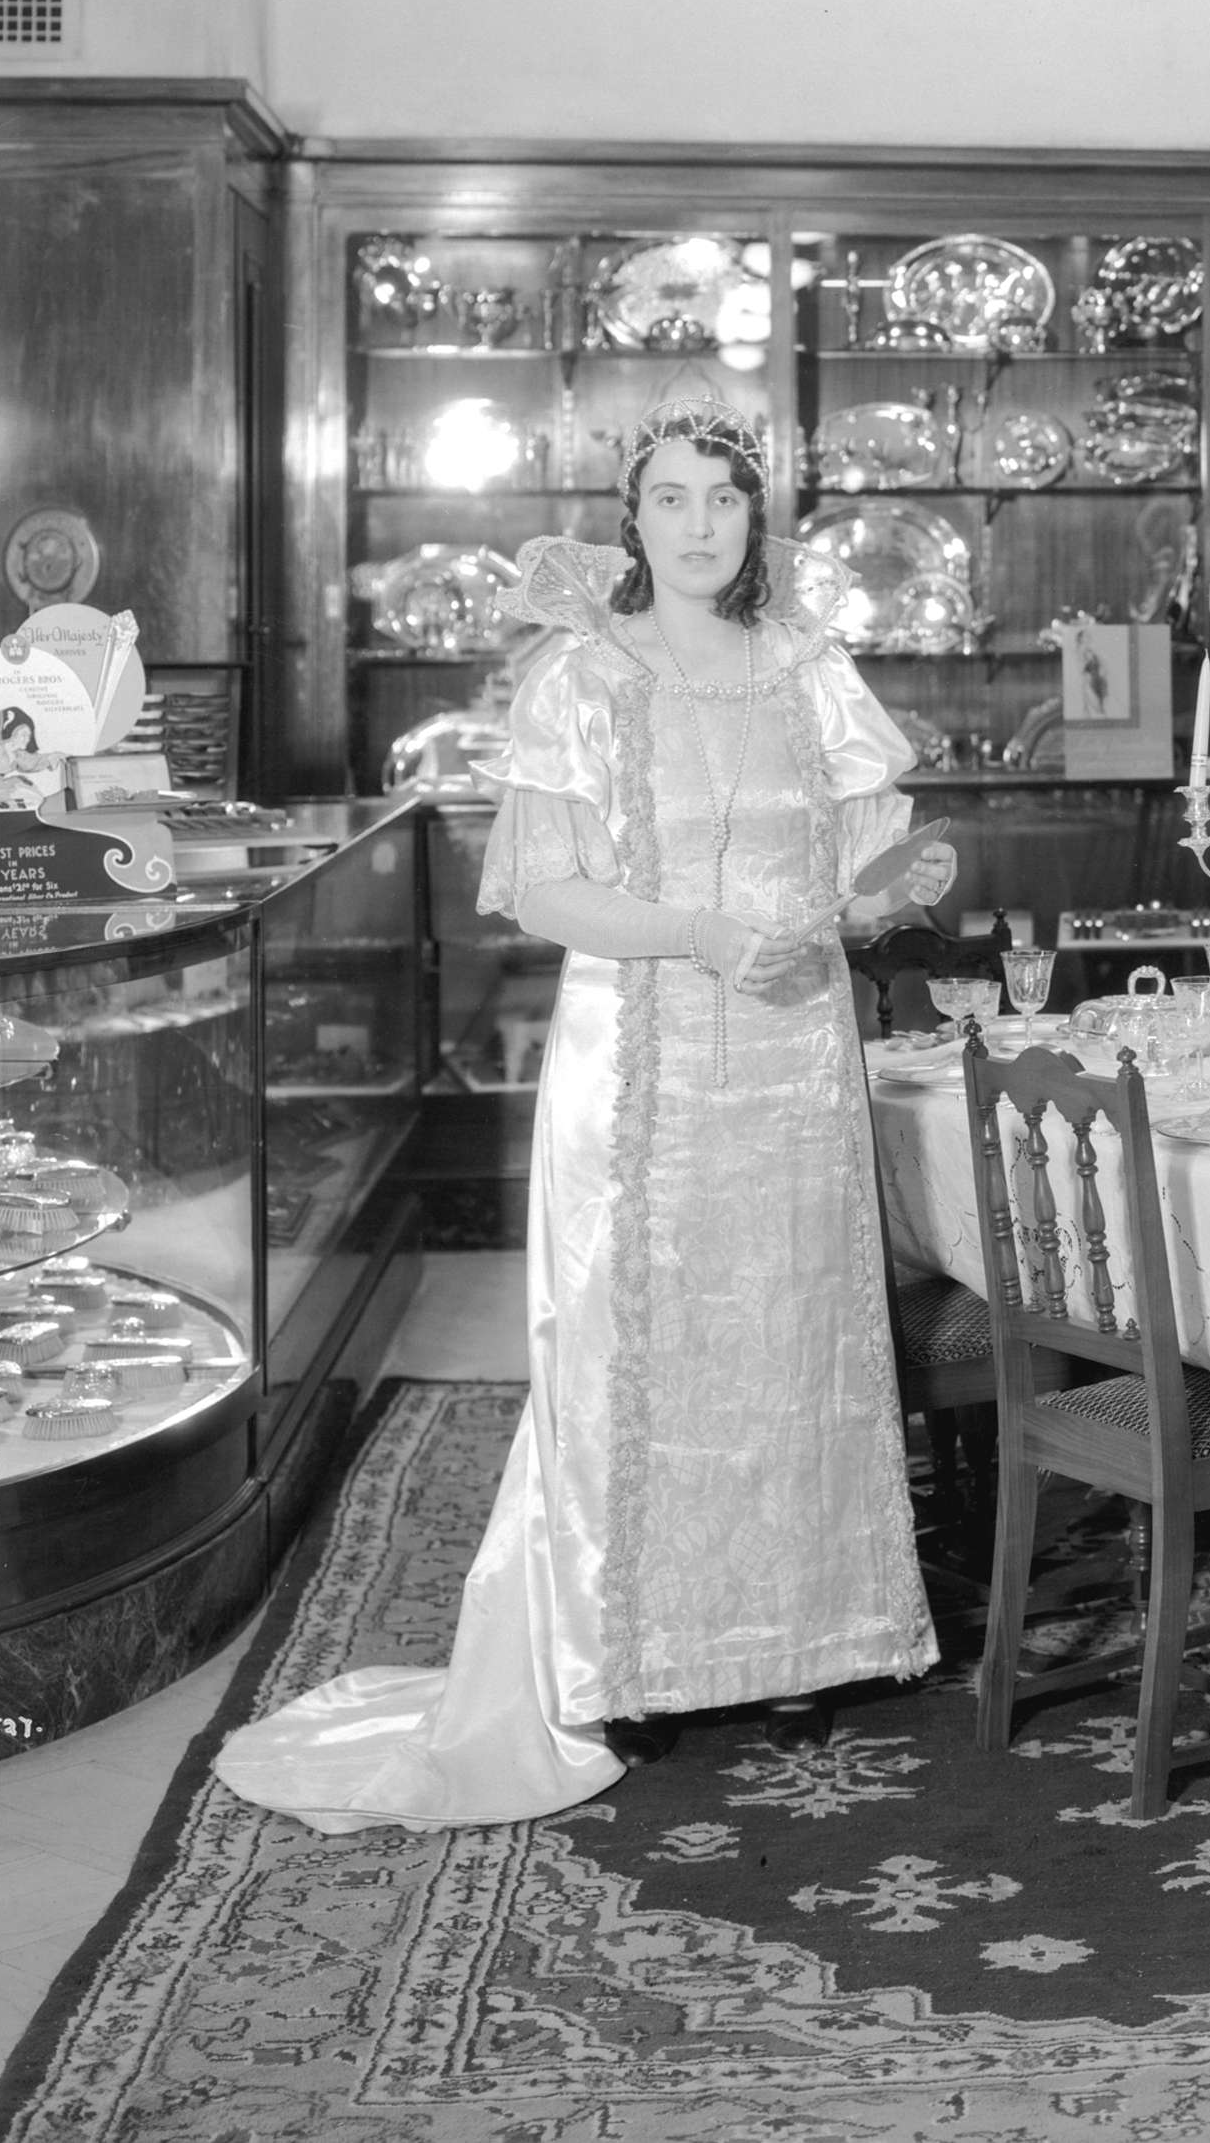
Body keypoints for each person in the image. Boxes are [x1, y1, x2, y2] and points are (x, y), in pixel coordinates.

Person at [216, 392, 955, 1830]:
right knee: (639, 1340)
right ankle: (627, 1651)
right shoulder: (583, 677)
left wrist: (894, 888)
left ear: (755, 521)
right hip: (644, 1052)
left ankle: (801, 1638)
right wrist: (698, 934)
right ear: (634, 519)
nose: (696, 524)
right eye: (669, 498)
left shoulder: (812, 666)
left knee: (792, 1329)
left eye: (721, 500)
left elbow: (870, 854)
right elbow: (544, 889)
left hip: (797, 1054)